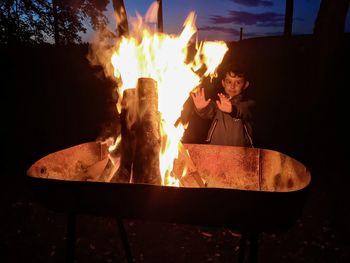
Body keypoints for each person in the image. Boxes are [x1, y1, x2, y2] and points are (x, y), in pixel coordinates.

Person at [190, 64, 255, 147]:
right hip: (215, 149)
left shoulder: (248, 104)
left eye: (238, 82)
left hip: (240, 152)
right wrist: (202, 108)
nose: (232, 86)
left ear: (245, 85)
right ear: (223, 83)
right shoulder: (219, 104)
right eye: (229, 82)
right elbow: (209, 111)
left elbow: (244, 111)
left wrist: (233, 110)